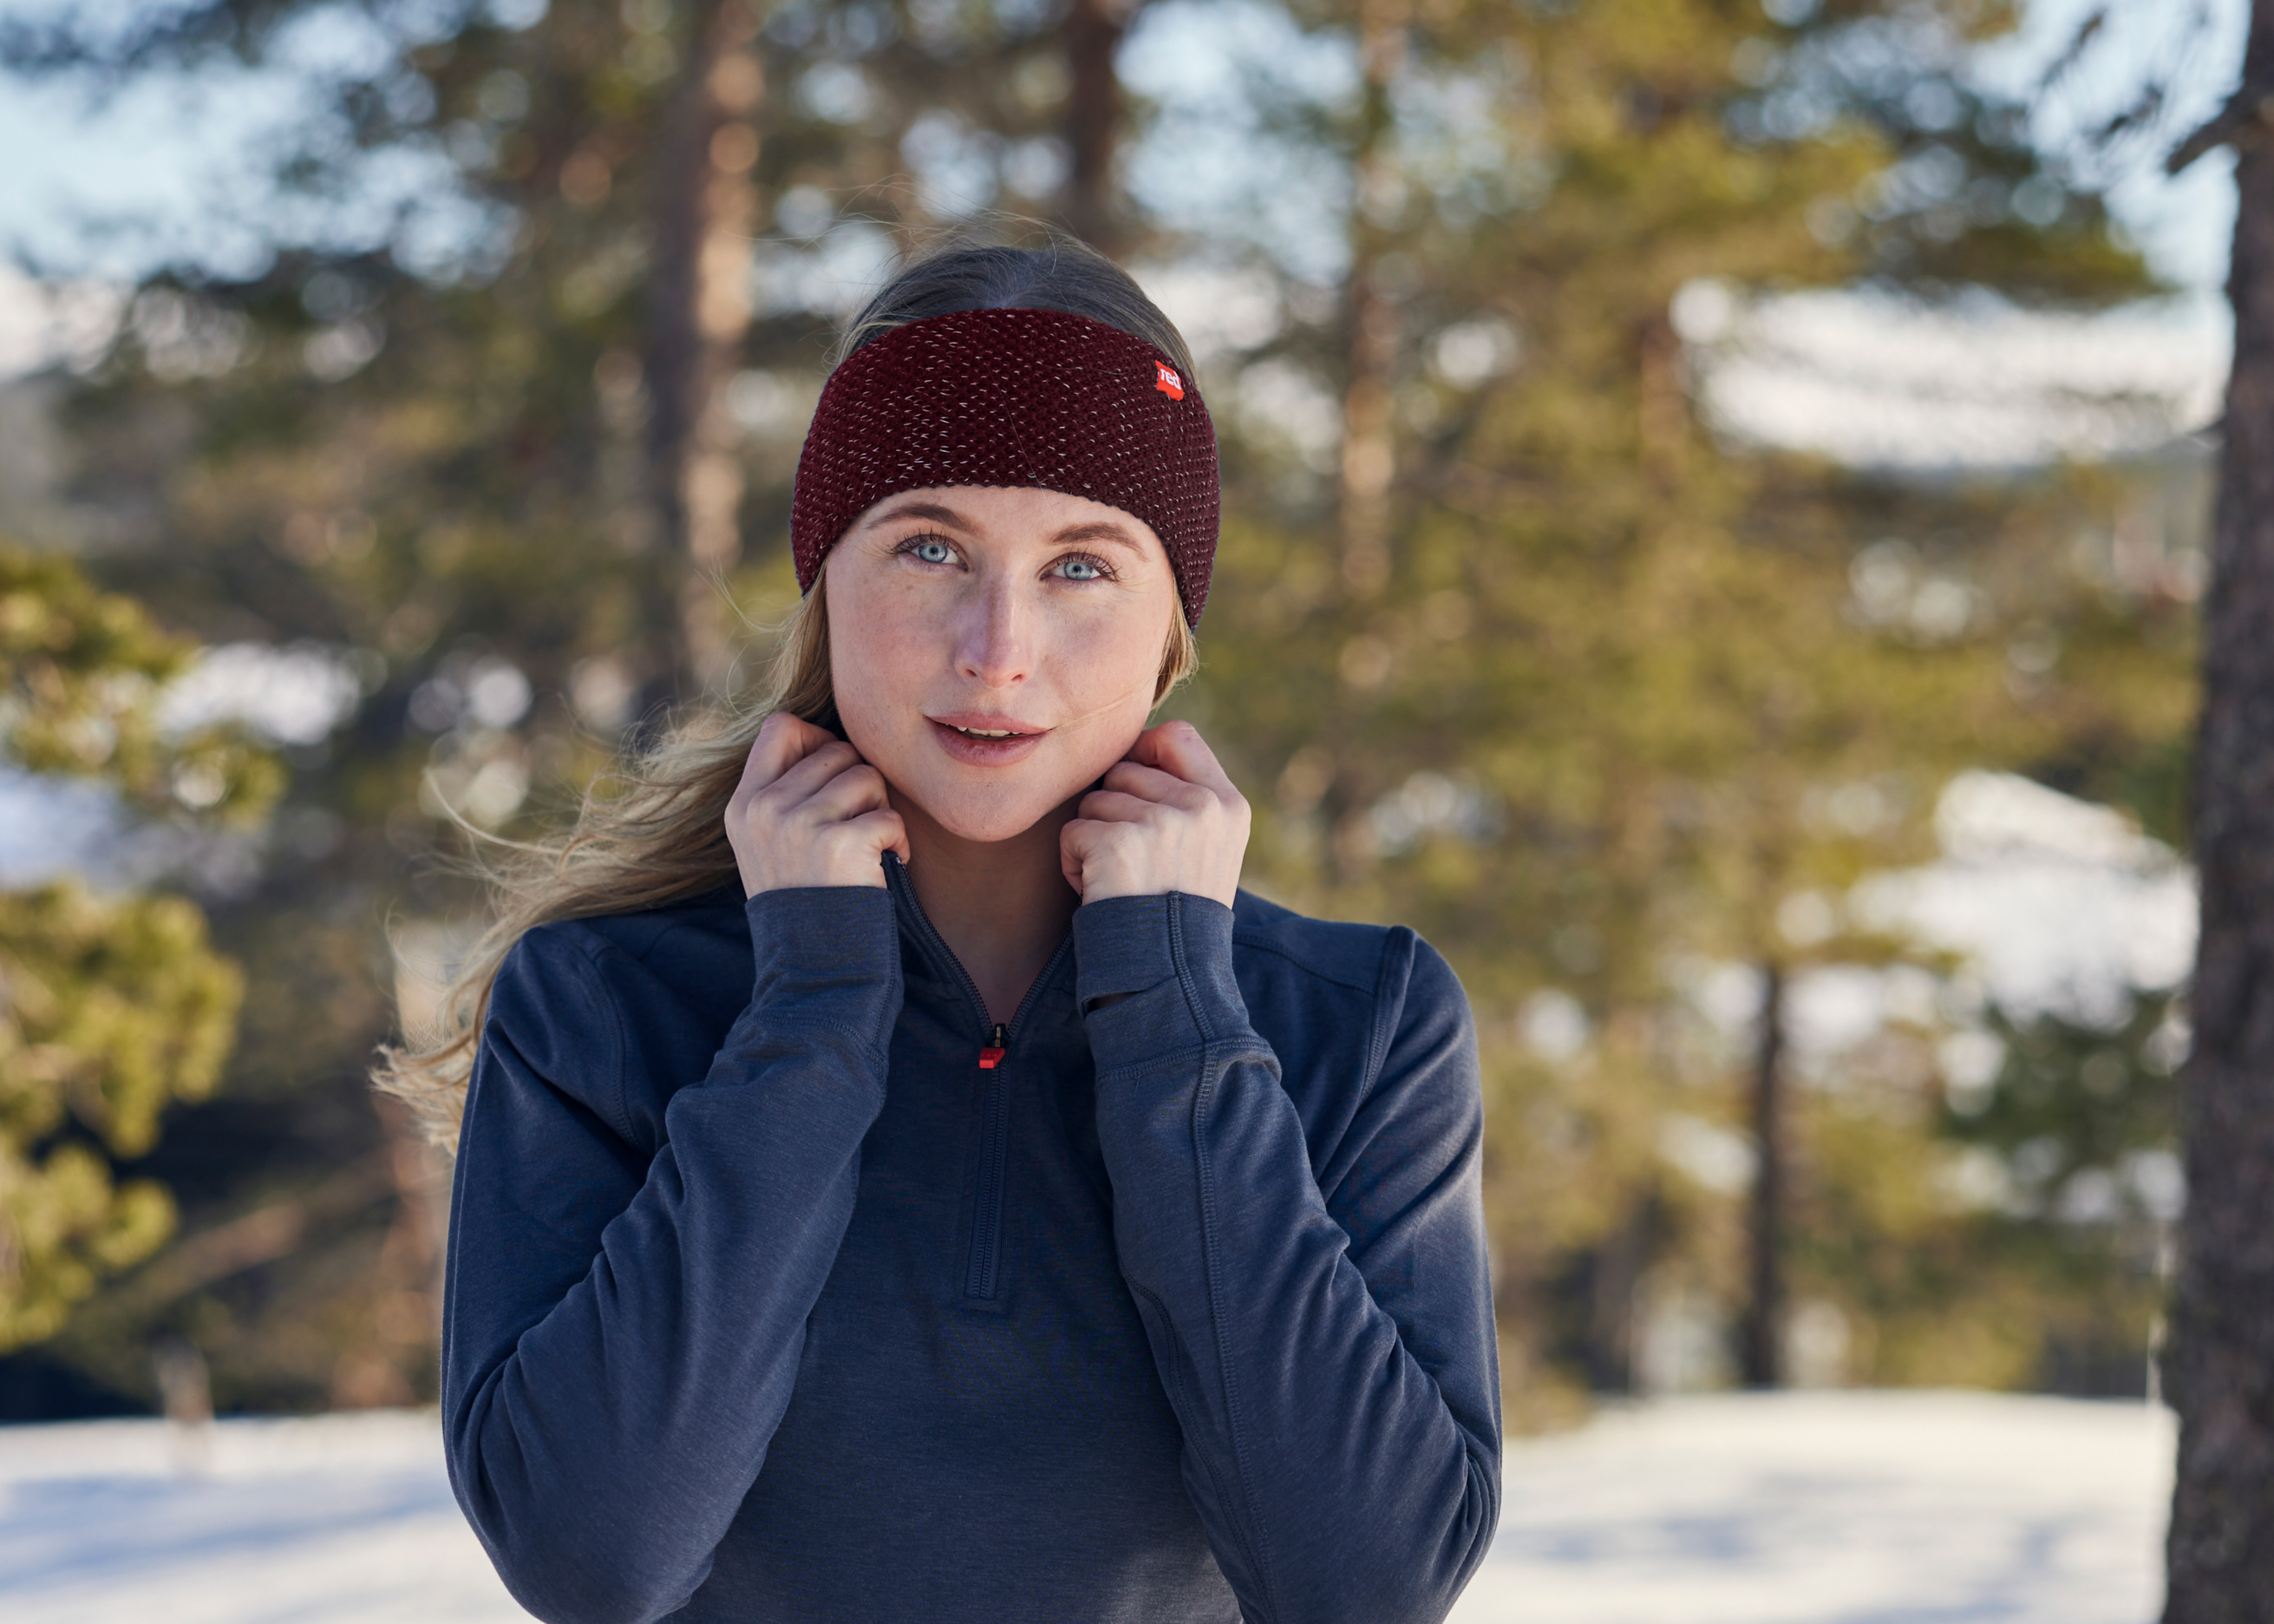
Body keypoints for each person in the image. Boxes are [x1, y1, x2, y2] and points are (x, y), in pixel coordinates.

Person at [381, 240, 1501, 1624]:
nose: (998, 647)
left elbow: (1368, 1585)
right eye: (928, 546)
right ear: (825, 582)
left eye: (1083, 566)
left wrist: (1175, 1017)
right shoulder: (606, 1003)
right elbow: (593, 1563)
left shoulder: (1361, 1019)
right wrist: (810, 1015)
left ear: (1173, 628)